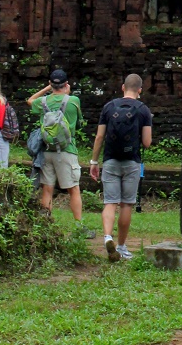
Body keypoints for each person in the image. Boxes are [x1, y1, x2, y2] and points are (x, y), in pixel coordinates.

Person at [90, 74, 153, 261]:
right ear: (140, 90)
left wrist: (94, 162)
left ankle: (107, 236)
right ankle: (122, 246)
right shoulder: (143, 110)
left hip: (110, 160)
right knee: (126, 204)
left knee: (110, 202)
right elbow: (147, 143)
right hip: (132, 162)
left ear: (123, 87)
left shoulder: (109, 107)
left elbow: (99, 137)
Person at [27, 70, 95, 237]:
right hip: (66, 151)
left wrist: (47, 89)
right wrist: (67, 93)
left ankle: (45, 226)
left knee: (47, 189)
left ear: (51, 84)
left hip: (46, 151)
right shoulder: (73, 101)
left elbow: (30, 101)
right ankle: (79, 227)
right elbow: (79, 125)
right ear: (66, 84)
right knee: (73, 189)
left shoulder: (43, 102)